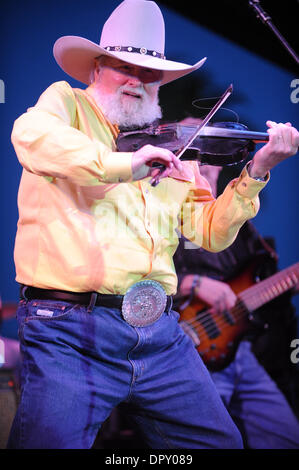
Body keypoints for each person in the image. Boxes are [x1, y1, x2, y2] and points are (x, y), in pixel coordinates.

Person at [7, 0, 299, 449]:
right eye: (124, 66)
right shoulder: (65, 106)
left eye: (149, 73)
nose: (135, 80)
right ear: (96, 69)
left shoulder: (172, 149)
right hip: (69, 329)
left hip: (161, 334)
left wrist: (257, 171)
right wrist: (125, 165)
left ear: (160, 83)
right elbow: (31, 137)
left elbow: (210, 232)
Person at [174, 164, 299, 449]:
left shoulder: (239, 218)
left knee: (285, 437)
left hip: (240, 346)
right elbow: (138, 279)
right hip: (189, 344)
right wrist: (191, 283)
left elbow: (263, 273)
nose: (205, 159)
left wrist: (285, 284)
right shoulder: (167, 213)